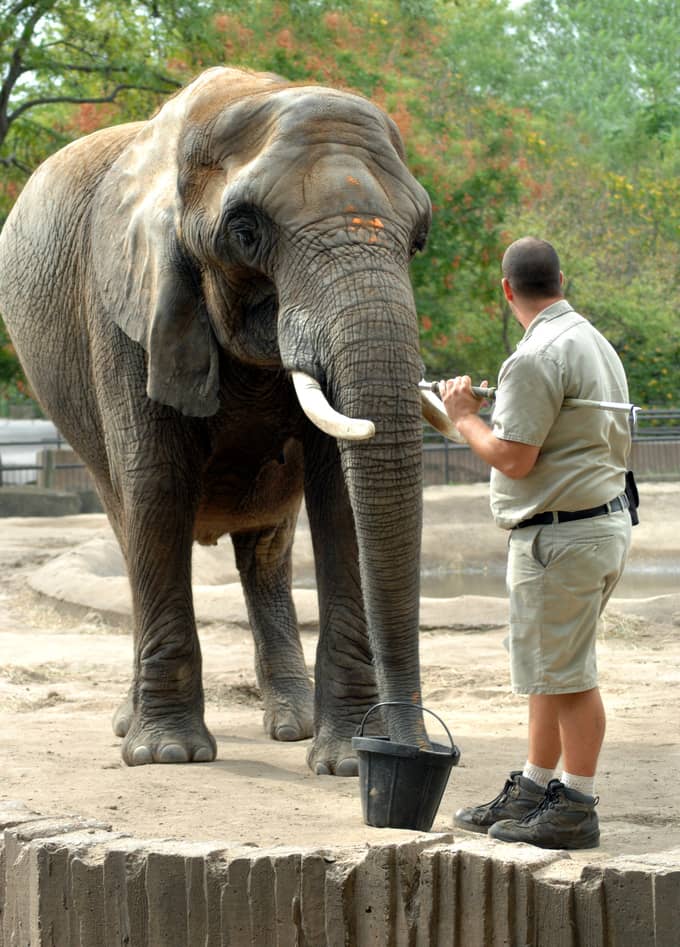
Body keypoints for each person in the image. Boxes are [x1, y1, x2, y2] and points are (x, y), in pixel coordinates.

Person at [440, 237, 632, 850]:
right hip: (599, 525)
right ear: (560, 278)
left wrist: (464, 417)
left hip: (560, 536)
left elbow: (513, 457)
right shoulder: (592, 341)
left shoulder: (534, 356)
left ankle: (574, 803)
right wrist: (459, 413)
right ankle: (535, 785)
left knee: (569, 675)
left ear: (506, 290)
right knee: (551, 669)